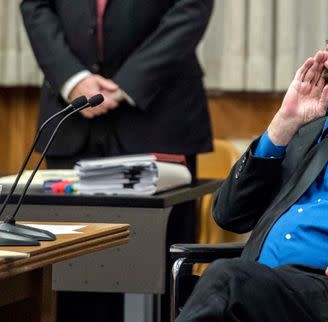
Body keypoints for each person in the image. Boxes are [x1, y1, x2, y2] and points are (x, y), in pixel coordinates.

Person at [175, 14, 328, 322]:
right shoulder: (302, 132)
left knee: (226, 279)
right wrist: (282, 125)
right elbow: (229, 215)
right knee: (230, 284)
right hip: (260, 287)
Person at [20, 1, 214, 322]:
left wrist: (128, 83)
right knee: (76, 271)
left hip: (159, 113)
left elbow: (190, 9)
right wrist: (72, 79)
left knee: (162, 273)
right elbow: (36, 7)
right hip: (72, 118)